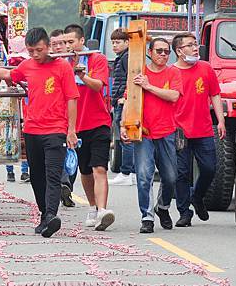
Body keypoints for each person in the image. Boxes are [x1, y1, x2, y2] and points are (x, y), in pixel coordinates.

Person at [0, 27, 79, 238]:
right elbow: (8, 74)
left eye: (39, 50)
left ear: (48, 46)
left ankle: (51, 215)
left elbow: (71, 98)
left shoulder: (63, 67)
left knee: (53, 174)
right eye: (31, 51)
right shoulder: (27, 65)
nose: (35, 55)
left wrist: (71, 130)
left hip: (55, 130)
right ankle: (44, 214)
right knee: (37, 176)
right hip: (31, 129)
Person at [120, 38, 182, 233]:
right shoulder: (139, 73)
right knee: (144, 176)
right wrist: (124, 124)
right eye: (159, 51)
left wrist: (149, 87)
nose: (163, 55)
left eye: (166, 52)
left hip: (166, 131)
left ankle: (162, 207)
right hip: (144, 132)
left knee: (171, 177)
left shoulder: (173, 72)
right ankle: (147, 217)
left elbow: (173, 96)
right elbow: (129, 99)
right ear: (149, 51)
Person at [63, 24, 115, 231]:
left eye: (71, 42)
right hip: (76, 125)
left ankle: (102, 210)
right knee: (85, 171)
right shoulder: (62, 64)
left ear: (82, 41)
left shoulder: (97, 59)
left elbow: (99, 86)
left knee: (99, 168)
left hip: (99, 122)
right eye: (65, 43)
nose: (69, 46)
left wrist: (82, 75)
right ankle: (92, 206)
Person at [172, 32, 225, 227]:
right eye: (190, 45)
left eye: (196, 44)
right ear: (179, 51)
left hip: (203, 129)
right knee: (182, 173)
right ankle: (184, 212)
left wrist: (221, 121)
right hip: (179, 131)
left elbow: (215, 95)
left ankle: (197, 196)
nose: (196, 48)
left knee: (209, 168)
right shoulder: (171, 72)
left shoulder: (206, 68)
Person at [49, 29, 77, 208]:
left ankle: (67, 187)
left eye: (63, 43)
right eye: (55, 44)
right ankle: (63, 183)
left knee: (73, 157)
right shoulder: (47, 64)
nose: (60, 47)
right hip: (56, 120)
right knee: (58, 155)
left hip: (78, 117)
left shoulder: (78, 60)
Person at [110, 29, 136, 186]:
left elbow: (130, 79)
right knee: (124, 138)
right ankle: (130, 172)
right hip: (120, 101)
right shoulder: (122, 57)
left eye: (118, 42)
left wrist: (124, 98)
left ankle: (126, 172)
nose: (114, 45)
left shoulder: (127, 58)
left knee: (125, 138)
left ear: (127, 42)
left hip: (124, 102)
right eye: (113, 42)